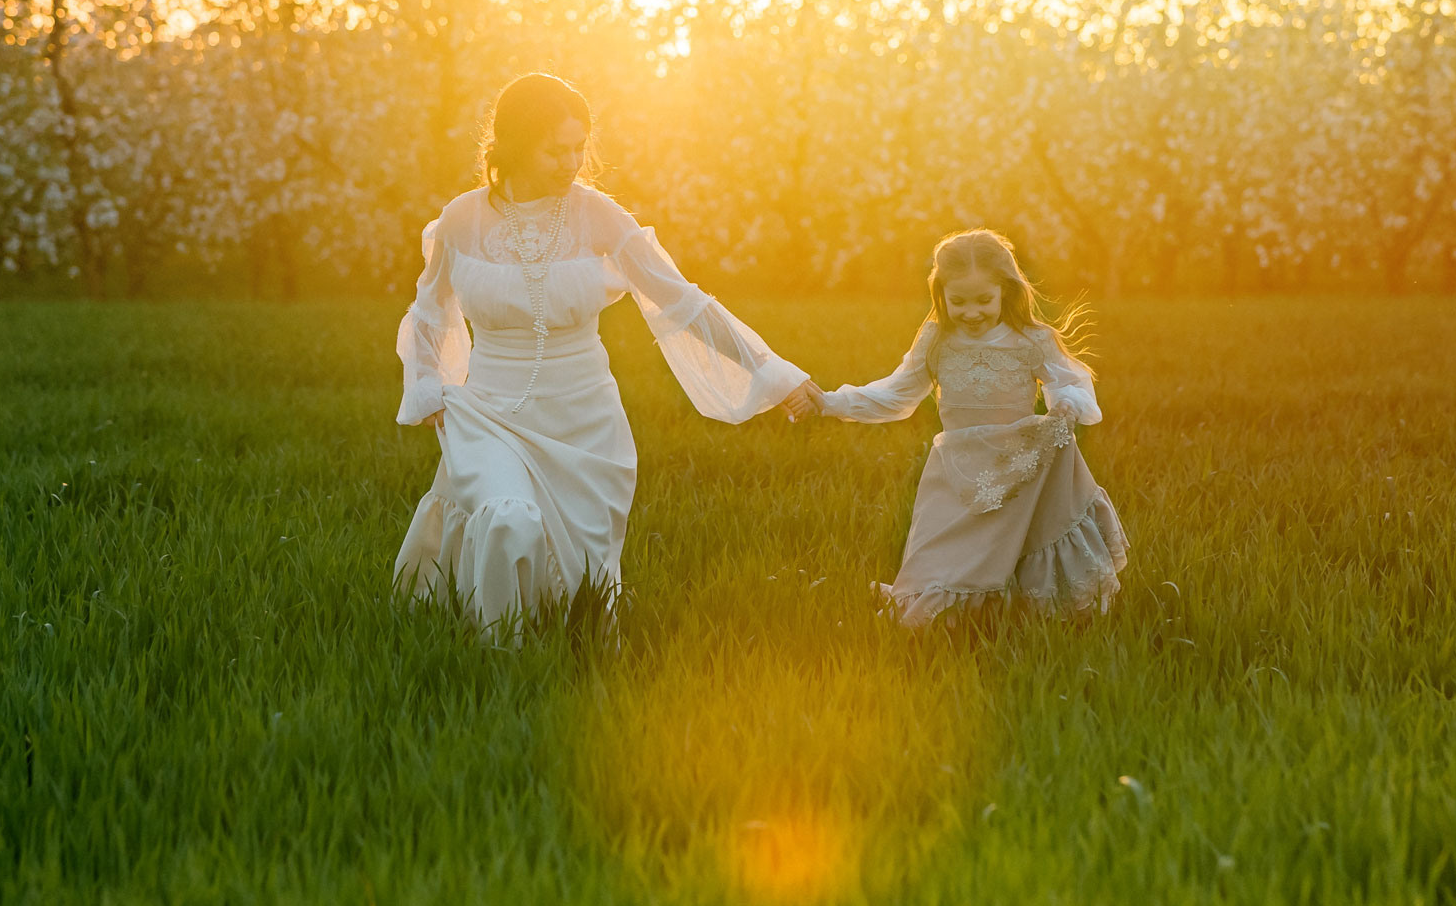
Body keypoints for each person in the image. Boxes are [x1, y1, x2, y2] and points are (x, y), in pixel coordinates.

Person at [394, 72, 823, 632]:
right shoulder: (462, 219)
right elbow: (429, 309)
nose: (572, 162)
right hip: (489, 411)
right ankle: (499, 658)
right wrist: (428, 384)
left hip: (584, 420)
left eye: (580, 147)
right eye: (557, 150)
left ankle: (562, 650)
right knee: (508, 521)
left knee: (584, 595)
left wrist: (772, 372)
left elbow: (682, 301)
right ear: (517, 145)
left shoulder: (597, 215)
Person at [810, 228, 1126, 627]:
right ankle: (923, 613)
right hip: (956, 473)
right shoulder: (937, 340)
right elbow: (896, 394)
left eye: (983, 300)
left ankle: (1009, 620)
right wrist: (829, 401)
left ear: (1004, 292)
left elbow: (1073, 381)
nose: (971, 312)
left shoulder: (1031, 340)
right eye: (958, 301)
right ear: (940, 294)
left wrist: (1066, 403)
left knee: (1009, 553)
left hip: (1019, 469)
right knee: (939, 558)